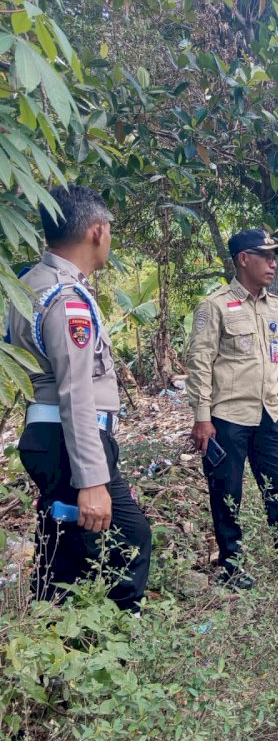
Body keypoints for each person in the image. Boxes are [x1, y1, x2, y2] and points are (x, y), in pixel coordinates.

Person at [8, 185, 152, 612]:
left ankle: (52, 637)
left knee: (64, 544)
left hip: (45, 436)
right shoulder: (66, 299)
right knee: (130, 537)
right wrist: (92, 480)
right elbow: (75, 393)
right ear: (96, 231)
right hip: (71, 443)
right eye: (110, 231)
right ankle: (116, 637)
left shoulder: (27, 284)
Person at [186, 229, 278, 587]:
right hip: (227, 419)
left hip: (269, 415)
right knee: (226, 492)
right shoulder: (214, 306)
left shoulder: (276, 306)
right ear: (243, 259)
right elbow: (200, 362)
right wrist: (202, 417)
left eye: (274, 256)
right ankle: (232, 566)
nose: (272, 263)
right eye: (265, 256)